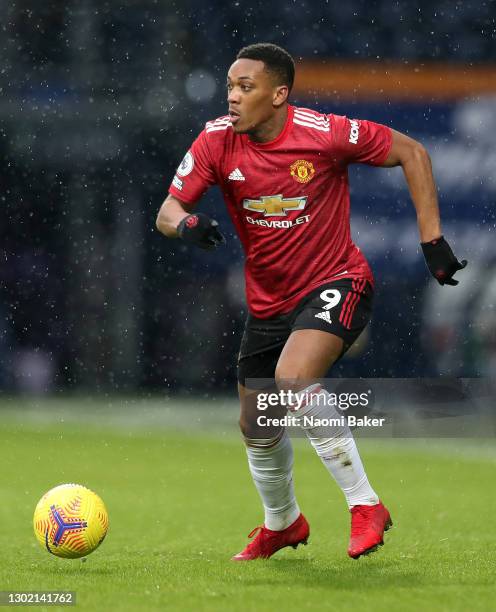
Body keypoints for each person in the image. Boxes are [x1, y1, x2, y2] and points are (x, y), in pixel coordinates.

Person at [156, 43, 466, 560]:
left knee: (293, 380)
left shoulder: (324, 133)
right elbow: (167, 211)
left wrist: (432, 240)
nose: (232, 97)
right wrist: (186, 223)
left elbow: (413, 152)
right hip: (269, 302)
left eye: (245, 88)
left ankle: (365, 504)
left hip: (337, 281)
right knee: (257, 424)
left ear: (279, 95)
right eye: (230, 86)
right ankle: (283, 523)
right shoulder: (215, 140)